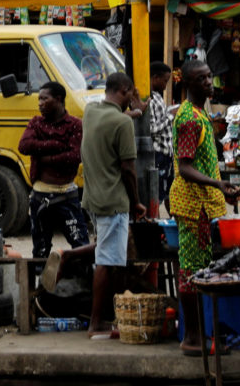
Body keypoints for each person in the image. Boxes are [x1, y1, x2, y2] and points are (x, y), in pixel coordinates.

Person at [168, 60, 240, 356]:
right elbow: (185, 167)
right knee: (191, 273)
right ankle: (193, 339)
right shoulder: (188, 119)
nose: (210, 82)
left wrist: (220, 188)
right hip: (191, 206)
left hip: (202, 204)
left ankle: (199, 336)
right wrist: (217, 184)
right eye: (202, 79)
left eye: (210, 76)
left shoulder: (201, 114)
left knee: (197, 270)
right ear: (188, 83)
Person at [79, 72, 145, 338]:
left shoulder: (90, 111)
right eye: (131, 94)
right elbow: (129, 170)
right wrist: (137, 203)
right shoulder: (122, 125)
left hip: (93, 199)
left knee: (108, 258)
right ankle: (99, 322)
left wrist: (135, 113)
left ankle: (108, 318)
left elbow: (114, 120)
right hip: (114, 202)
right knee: (107, 262)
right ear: (125, 90)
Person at [18, 82, 88, 260]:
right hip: (40, 196)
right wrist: (56, 145)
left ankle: (83, 282)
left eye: (44, 98)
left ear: (58, 100)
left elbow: (74, 156)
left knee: (81, 244)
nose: (40, 103)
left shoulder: (74, 125)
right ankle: (41, 284)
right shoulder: (36, 123)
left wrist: (44, 157)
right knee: (40, 249)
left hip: (67, 196)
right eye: (39, 99)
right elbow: (24, 146)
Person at [148, 62, 176, 205]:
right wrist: (170, 115)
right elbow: (152, 129)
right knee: (157, 194)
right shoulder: (150, 99)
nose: (166, 85)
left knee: (168, 192)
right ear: (155, 78)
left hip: (166, 153)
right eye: (165, 81)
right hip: (158, 154)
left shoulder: (158, 97)